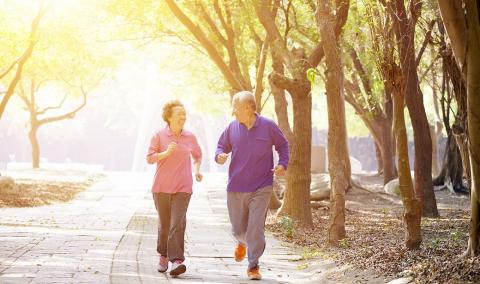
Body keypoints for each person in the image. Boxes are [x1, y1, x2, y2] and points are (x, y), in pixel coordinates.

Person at [215, 91, 289, 280]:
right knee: (238, 228)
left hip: (261, 186)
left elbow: (283, 145)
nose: (233, 111)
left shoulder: (268, 126)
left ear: (248, 108)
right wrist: (220, 156)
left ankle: (253, 265)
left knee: (255, 227)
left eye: (236, 107)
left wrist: (282, 164)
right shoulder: (232, 128)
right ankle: (242, 241)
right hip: (236, 186)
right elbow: (221, 146)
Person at [146, 100, 202, 277]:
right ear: (169, 117)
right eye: (179, 114)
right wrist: (165, 154)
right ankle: (163, 255)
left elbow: (198, 156)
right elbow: (149, 158)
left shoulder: (190, 137)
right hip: (161, 187)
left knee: (177, 223)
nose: (183, 117)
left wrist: (197, 171)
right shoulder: (158, 135)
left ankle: (177, 260)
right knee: (165, 225)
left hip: (183, 187)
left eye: (184, 115)